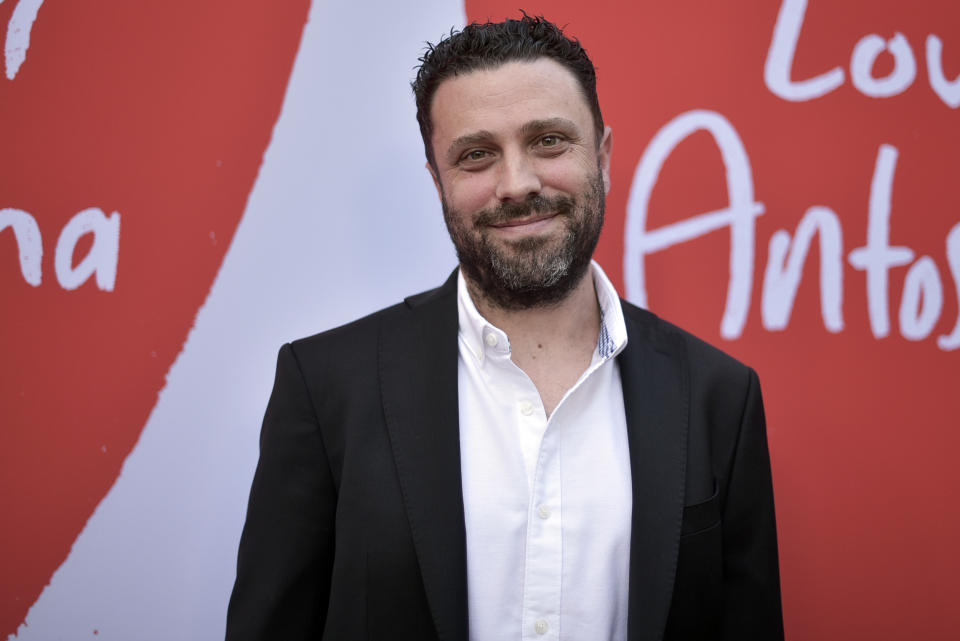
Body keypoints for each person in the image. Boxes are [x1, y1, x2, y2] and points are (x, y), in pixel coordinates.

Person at [226, 14, 783, 641]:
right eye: (477, 155)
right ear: (438, 180)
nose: (516, 185)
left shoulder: (718, 396)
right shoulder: (327, 387)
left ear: (602, 156)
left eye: (549, 141)